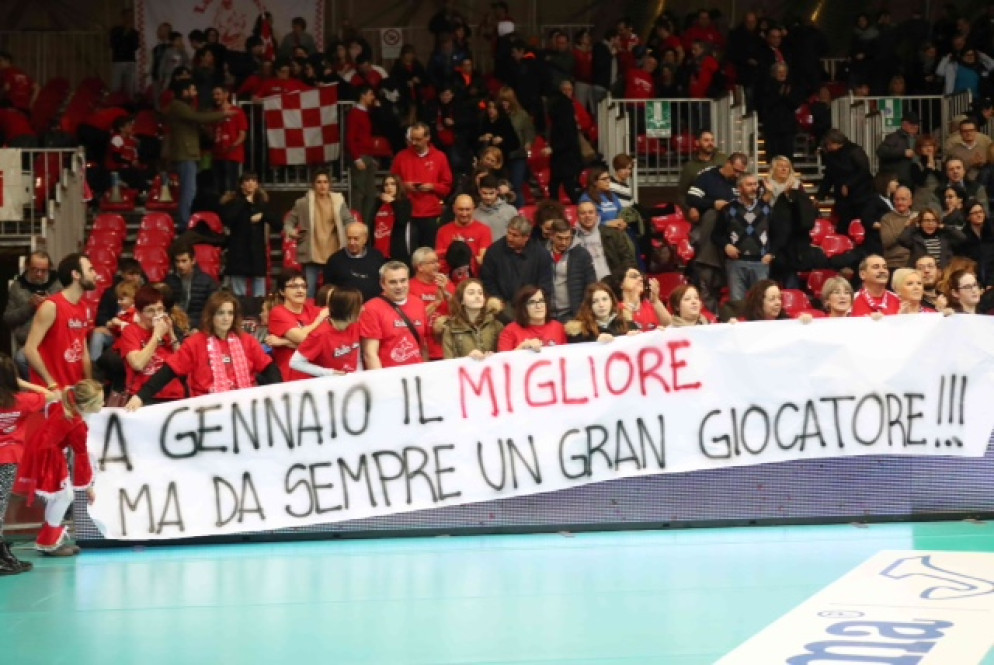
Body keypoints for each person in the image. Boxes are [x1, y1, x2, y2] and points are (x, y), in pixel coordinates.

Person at [126, 291, 280, 409]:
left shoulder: (247, 340)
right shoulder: (195, 343)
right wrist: (140, 397)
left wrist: (281, 393)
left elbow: (269, 368)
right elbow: (168, 372)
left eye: (230, 313)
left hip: (243, 409)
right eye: (220, 313)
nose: (226, 318)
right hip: (206, 412)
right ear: (211, 315)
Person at [14, 379, 104, 556]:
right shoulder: (77, 424)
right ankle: (48, 542)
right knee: (64, 496)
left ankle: (48, 539)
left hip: (40, 449)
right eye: (100, 402)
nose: (103, 404)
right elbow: (81, 456)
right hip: (49, 456)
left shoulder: (62, 405)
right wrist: (88, 487)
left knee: (58, 496)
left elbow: (51, 404)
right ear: (86, 406)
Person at [0, 355, 57, 574]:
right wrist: (20, 383)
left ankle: (2, 552)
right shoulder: (22, 401)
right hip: (8, 459)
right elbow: (51, 395)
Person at [164, 79, 235, 231]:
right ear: (184, 92)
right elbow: (197, 117)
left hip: (190, 154)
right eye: (193, 90)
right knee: (188, 191)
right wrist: (222, 114)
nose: (195, 93)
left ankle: (186, 220)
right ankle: (185, 223)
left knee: (190, 190)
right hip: (185, 154)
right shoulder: (178, 106)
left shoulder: (184, 107)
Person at [24, 253, 97, 390]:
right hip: (52, 393)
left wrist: (89, 383)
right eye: (90, 269)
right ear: (76, 274)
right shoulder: (51, 306)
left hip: (74, 390)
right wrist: (51, 384)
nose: (95, 274)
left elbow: (83, 350)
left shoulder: (84, 307)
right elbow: (29, 349)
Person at [284, 169, 355, 298]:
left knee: (333, 291)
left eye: (325, 182)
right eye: (319, 182)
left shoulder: (338, 202)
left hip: (333, 253)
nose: (322, 185)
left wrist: (352, 231)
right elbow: (289, 222)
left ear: (330, 184)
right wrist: (291, 232)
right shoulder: (302, 203)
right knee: (309, 291)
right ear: (313, 184)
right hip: (312, 252)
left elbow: (348, 220)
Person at [712, 172, 774, 301]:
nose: (754, 188)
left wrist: (772, 253)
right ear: (740, 188)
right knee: (737, 302)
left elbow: (777, 233)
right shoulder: (728, 209)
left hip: (761, 262)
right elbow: (716, 234)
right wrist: (726, 246)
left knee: (760, 302)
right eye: (749, 185)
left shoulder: (766, 208)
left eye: (755, 184)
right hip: (736, 263)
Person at [391, 121, 453, 249]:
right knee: (410, 252)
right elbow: (391, 183)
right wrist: (404, 186)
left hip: (431, 214)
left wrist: (432, 187)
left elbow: (447, 186)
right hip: (408, 213)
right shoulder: (401, 157)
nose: (414, 143)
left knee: (430, 252)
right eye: (412, 139)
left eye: (418, 139)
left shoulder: (440, 157)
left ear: (427, 138)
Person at [118, 286, 185, 403]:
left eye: (160, 309)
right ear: (138, 313)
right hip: (144, 397)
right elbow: (138, 364)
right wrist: (156, 336)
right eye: (150, 311)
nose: (157, 315)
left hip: (173, 394)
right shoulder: (130, 331)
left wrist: (171, 333)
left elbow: (182, 363)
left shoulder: (166, 329)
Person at [358, 261, 429, 369]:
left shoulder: (418, 303)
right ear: (382, 284)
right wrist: (381, 378)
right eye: (393, 282)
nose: (399, 286)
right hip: (390, 373)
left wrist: (426, 371)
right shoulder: (371, 309)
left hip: (416, 371)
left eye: (403, 280)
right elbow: (370, 354)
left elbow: (423, 344)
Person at [480, 216, 553, 316]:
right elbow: (487, 279)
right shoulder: (494, 251)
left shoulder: (541, 254)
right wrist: (498, 300)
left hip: (531, 304)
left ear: (526, 237)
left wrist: (533, 302)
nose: (509, 238)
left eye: (515, 235)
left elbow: (545, 284)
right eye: (509, 233)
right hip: (503, 306)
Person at [3, 251, 60, 379]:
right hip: (28, 341)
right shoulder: (17, 287)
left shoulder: (57, 284)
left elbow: (67, 310)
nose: (39, 274)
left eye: (43, 270)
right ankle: (39, 384)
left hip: (54, 338)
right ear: (27, 266)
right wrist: (29, 306)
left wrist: (52, 304)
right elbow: (8, 318)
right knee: (20, 359)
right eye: (35, 269)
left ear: (49, 268)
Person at [267, 270, 327, 381]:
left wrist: (284, 342)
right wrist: (318, 320)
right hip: (293, 377)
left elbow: (327, 342)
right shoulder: (278, 313)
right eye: (294, 286)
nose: (300, 290)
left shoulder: (314, 310)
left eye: (303, 286)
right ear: (282, 291)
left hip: (318, 374)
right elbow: (301, 338)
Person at [290, 287, 364, 377]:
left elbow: (357, 357)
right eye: (358, 306)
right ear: (346, 309)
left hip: (351, 381)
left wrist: (358, 375)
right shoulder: (320, 334)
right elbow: (295, 362)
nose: (363, 309)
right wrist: (329, 373)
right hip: (328, 382)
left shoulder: (355, 325)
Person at [220, 172, 273, 297]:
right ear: (241, 185)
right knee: (239, 296)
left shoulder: (262, 203)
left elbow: (277, 222)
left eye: (253, 181)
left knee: (259, 295)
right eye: (247, 181)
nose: (250, 183)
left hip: (257, 254)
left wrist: (263, 215)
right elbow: (228, 219)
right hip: (238, 254)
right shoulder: (232, 202)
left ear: (257, 184)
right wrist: (244, 201)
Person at [817, 129, 873, 232]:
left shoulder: (854, 151)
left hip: (860, 194)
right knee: (843, 224)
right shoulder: (831, 155)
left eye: (829, 144)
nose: (828, 147)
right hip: (843, 197)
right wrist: (820, 196)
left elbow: (864, 170)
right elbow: (828, 177)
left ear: (837, 142)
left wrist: (848, 184)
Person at [407, 248, 455, 361]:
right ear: (420, 267)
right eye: (432, 262)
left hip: (447, 348)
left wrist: (446, 293)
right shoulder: (409, 287)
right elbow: (414, 320)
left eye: (437, 261)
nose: (437, 265)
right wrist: (437, 302)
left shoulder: (446, 283)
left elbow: (459, 312)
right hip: (422, 350)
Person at [546, 219, 596, 322]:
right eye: (560, 238)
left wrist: (585, 310)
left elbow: (591, 284)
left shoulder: (581, 254)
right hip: (547, 314)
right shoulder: (542, 253)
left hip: (573, 313)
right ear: (551, 236)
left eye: (567, 238)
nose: (564, 242)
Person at [440, 278, 504, 359]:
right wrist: (468, 359)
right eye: (471, 293)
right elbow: (449, 361)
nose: (477, 296)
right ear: (462, 300)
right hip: (464, 367)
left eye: (480, 293)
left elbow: (505, 357)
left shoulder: (496, 326)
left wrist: (493, 357)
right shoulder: (450, 329)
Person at [574, 200, 638, 281]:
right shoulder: (573, 238)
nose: (587, 216)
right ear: (578, 216)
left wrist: (618, 279)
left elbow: (628, 261)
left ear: (597, 215)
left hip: (613, 282)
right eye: (583, 213)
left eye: (591, 212)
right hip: (588, 284)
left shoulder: (613, 234)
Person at [323, 222, 387, 302]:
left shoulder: (377, 256)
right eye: (349, 238)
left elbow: (384, 282)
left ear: (365, 239)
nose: (352, 242)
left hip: (374, 305)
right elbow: (327, 289)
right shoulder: (335, 260)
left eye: (356, 239)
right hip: (345, 306)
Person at [346, 86, 382, 225]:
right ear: (363, 95)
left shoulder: (367, 113)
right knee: (359, 193)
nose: (373, 97)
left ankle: (366, 225)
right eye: (370, 94)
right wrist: (356, 158)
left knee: (370, 193)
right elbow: (350, 138)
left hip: (367, 156)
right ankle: (357, 224)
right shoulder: (355, 113)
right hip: (360, 156)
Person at [164, 241, 219, 330]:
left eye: (184, 261)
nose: (180, 265)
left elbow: (213, 310)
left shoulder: (207, 282)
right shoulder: (169, 281)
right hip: (174, 326)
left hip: (198, 326)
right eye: (177, 261)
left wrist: (200, 328)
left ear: (193, 261)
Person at [436, 194, 493, 276]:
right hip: (449, 278)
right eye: (461, 209)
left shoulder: (484, 230)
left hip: (474, 279)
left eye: (467, 209)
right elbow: (439, 260)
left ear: (474, 209)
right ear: (454, 209)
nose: (464, 213)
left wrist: (462, 247)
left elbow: (483, 260)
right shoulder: (443, 231)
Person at [497, 286, 567, 351]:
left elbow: (566, 355)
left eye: (541, 301)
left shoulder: (558, 327)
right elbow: (504, 359)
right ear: (523, 307)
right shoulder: (510, 331)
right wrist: (522, 347)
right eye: (532, 302)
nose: (538, 306)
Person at [898, 205, 965, 269]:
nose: (930, 224)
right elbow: (902, 239)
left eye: (934, 220)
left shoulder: (944, 237)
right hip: (921, 273)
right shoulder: (916, 238)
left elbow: (962, 238)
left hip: (942, 273)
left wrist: (945, 227)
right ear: (920, 222)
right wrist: (914, 227)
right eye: (926, 220)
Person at [210, 86, 248, 196]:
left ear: (226, 95)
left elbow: (242, 134)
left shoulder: (237, 112)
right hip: (217, 154)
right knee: (218, 188)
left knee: (230, 187)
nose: (215, 97)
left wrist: (232, 147)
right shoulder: (215, 113)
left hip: (232, 155)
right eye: (214, 95)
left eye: (218, 94)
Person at [565, 283, 632, 343]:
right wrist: (595, 340)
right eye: (595, 301)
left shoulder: (625, 321)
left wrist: (633, 337)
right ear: (589, 306)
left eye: (604, 299)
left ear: (612, 301)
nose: (601, 305)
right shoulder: (580, 331)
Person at [678, 131, 728, 209]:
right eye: (706, 140)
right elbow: (682, 193)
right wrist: (690, 209)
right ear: (697, 143)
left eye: (712, 140)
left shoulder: (723, 159)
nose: (710, 143)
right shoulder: (690, 166)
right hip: (702, 207)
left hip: (725, 205)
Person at [370, 174, 413, 264]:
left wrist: (393, 202)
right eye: (386, 185)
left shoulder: (404, 202)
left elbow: (402, 220)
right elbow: (371, 224)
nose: (389, 187)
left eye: (393, 184)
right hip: (378, 250)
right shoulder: (378, 203)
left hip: (395, 251)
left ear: (398, 186)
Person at [876, 111, 919, 188]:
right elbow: (881, 151)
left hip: (912, 180)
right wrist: (903, 153)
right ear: (904, 124)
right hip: (897, 180)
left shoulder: (918, 139)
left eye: (917, 124)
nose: (915, 126)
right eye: (912, 124)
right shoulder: (894, 137)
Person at [474, 174, 518, 241]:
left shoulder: (511, 211)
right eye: (485, 193)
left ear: (497, 191)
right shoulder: (474, 215)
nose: (488, 197)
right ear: (479, 191)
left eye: (491, 193)